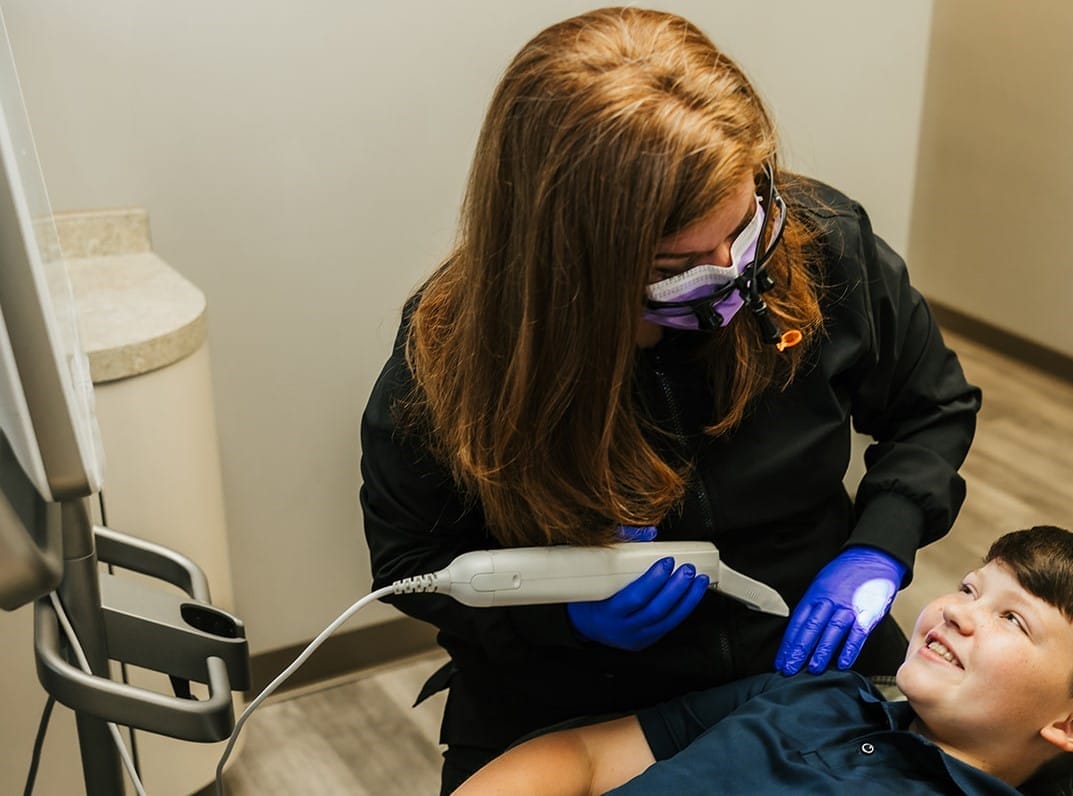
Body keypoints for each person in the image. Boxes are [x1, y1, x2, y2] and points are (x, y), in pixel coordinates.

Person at [359, 6, 981, 790]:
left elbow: (933, 407)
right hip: (570, 697)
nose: (734, 272)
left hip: (804, 655)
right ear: (574, 261)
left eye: (744, 224)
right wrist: (562, 621)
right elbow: (411, 560)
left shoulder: (820, 243)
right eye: (677, 262)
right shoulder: (456, 354)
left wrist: (879, 544)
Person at [453, 526, 1073, 795]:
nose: (957, 609)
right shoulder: (814, 695)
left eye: (1012, 619)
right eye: (969, 586)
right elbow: (582, 756)